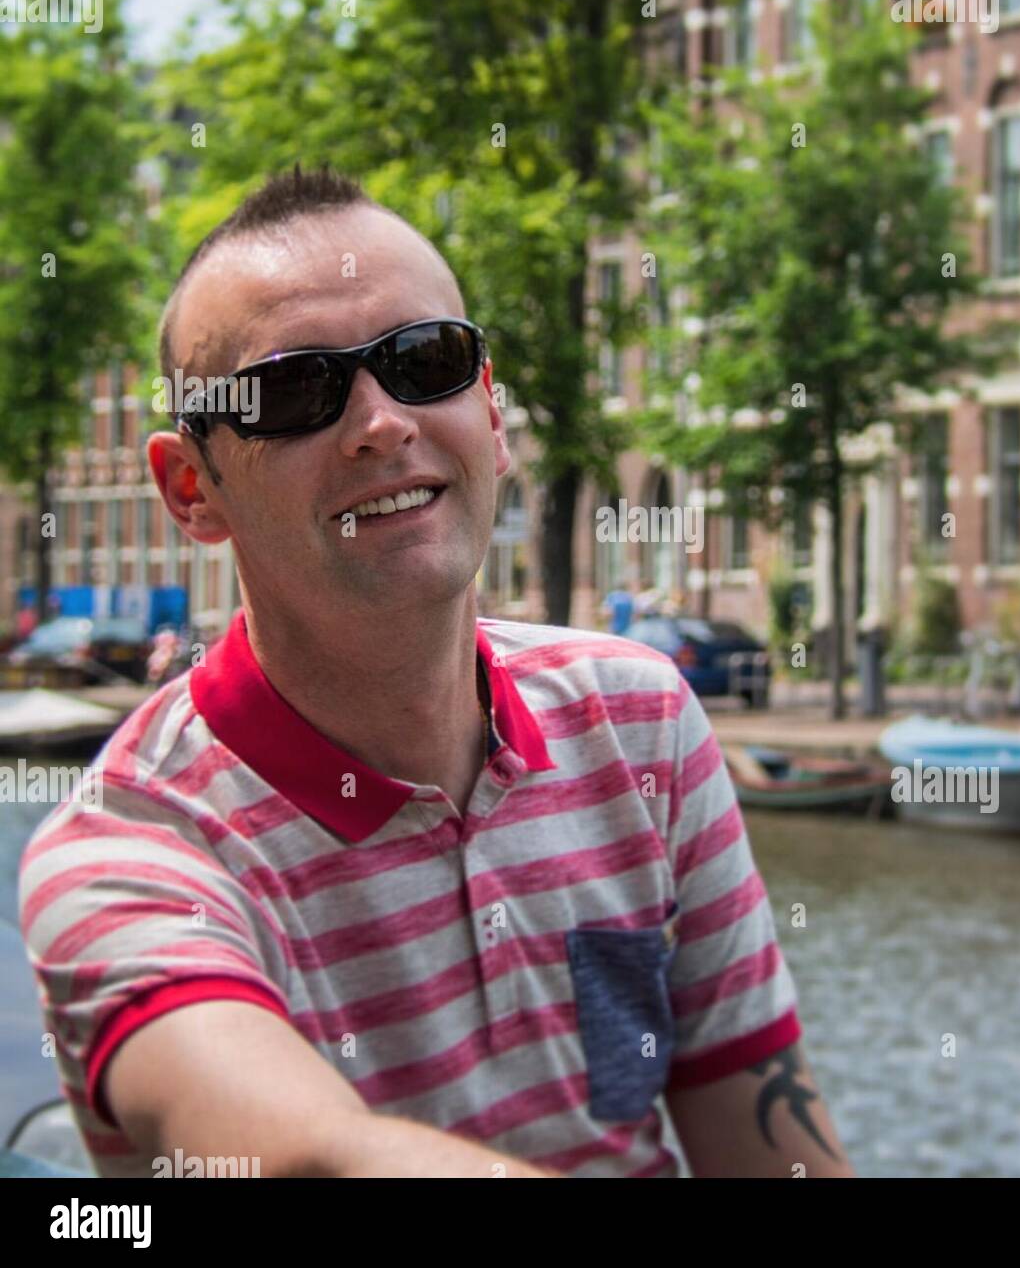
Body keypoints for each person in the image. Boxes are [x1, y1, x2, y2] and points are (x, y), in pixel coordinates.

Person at [19, 166, 852, 1179]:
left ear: (490, 412)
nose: (380, 421)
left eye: (426, 360)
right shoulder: (132, 854)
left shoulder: (641, 723)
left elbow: (766, 1146)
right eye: (294, 390)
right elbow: (315, 1160)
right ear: (193, 488)